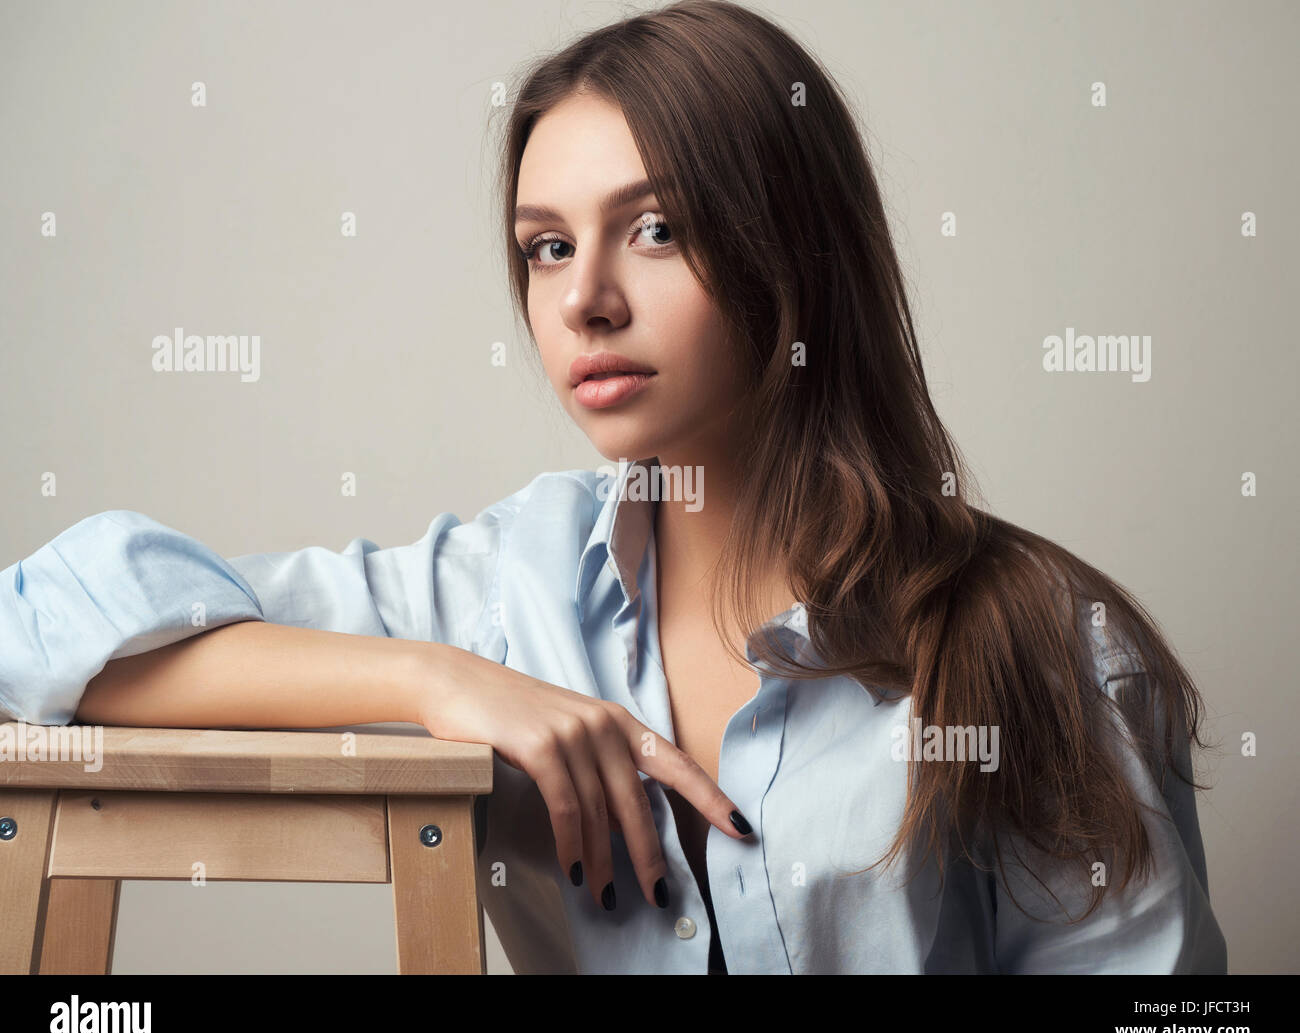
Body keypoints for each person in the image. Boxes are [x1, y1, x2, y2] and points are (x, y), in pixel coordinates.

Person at [0, 0, 1226, 974]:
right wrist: (439, 681)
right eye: (546, 246)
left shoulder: (1045, 639)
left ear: (792, 249)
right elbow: (37, 631)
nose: (583, 297)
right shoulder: (494, 596)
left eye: (654, 230)